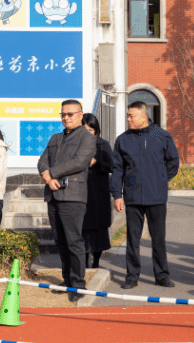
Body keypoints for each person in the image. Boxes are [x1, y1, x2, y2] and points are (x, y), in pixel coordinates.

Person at [110, 101, 180, 290]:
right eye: (128, 115)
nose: (128, 119)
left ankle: (162, 275)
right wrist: (117, 195)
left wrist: (160, 179)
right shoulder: (123, 140)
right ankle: (132, 276)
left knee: (158, 239)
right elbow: (117, 169)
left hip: (156, 197)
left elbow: (173, 162)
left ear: (143, 116)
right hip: (133, 198)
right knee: (133, 239)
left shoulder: (162, 136)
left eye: (131, 116)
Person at [37, 100, 97, 302]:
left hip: (72, 196)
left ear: (80, 115)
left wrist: (51, 173)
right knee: (60, 241)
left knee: (74, 241)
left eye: (70, 114)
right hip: (53, 194)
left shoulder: (87, 138)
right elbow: (42, 160)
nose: (66, 117)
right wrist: (47, 176)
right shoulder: (55, 137)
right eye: (63, 114)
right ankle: (67, 280)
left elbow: (79, 162)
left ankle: (78, 284)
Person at [81, 113, 113, 269]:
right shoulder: (76, 144)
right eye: (84, 130)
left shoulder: (103, 145)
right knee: (83, 228)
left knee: (99, 230)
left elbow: (112, 166)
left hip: (99, 192)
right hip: (82, 191)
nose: (87, 133)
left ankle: (96, 262)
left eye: (90, 130)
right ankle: (84, 262)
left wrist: (97, 163)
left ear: (96, 130)